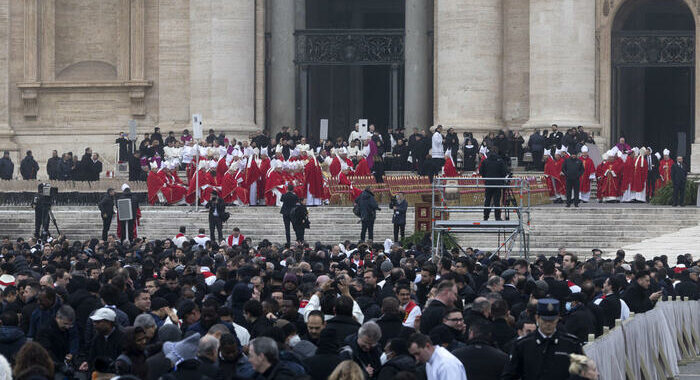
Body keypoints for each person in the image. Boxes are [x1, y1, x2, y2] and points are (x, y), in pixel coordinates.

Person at [501, 299, 583, 380]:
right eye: (545, 320)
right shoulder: (523, 345)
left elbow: (582, 373)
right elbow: (509, 375)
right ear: (537, 318)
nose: (548, 324)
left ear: (558, 318)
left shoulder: (570, 343)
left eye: (552, 320)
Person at [479, 147, 507, 221]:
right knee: (496, 201)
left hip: (488, 183)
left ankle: (486, 217)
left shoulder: (485, 161)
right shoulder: (500, 161)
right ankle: (497, 217)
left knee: (487, 201)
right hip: (497, 183)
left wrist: (486, 178)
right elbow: (504, 173)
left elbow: (481, 172)